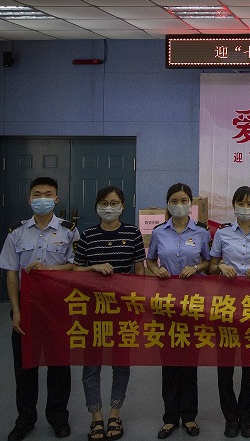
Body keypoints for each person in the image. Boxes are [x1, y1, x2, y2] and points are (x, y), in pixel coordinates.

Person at [1, 177, 80, 441]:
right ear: (29, 199)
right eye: (37, 194)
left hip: (58, 306)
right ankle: (25, 419)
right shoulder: (16, 233)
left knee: (59, 364)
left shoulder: (69, 231)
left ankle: (58, 417)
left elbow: (76, 266)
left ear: (56, 199)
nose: (42, 198)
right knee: (26, 365)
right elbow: (11, 274)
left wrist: (49, 269)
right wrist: (16, 310)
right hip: (27, 306)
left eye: (48, 194)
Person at [73, 186, 146, 441]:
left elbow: (139, 270)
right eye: (104, 203)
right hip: (92, 310)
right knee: (91, 365)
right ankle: (96, 416)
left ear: (123, 206)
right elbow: (76, 270)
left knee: (120, 363)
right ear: (97, 206)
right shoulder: (88, 235)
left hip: (122, 310)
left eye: (114, 203)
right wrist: (92, 267)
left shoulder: (132, 233)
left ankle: (115, 412)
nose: (109, 207)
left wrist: (137, 303)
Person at [146, 183, 211, 439]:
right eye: (174, 200)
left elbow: (208, 261)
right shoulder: (159, 232)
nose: (179, 204)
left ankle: (190, 416)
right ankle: (170, 417)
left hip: (193, 302)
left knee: (190, 359)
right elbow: (150, 260)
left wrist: (196, 269)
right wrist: (156, 270)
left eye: (184, 200)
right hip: (165, 301)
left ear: (190, 204)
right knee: (170, 360)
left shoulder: (202, 232)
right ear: (168, 204)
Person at [209, 186, 250, 438]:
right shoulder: (222, 233)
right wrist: (221, 266)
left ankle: (246, 417)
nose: (245, 208)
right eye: (241, 203)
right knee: (225, 363)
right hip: (226, 303)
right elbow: (212, 266)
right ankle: (230, 417)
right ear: (234, 205)